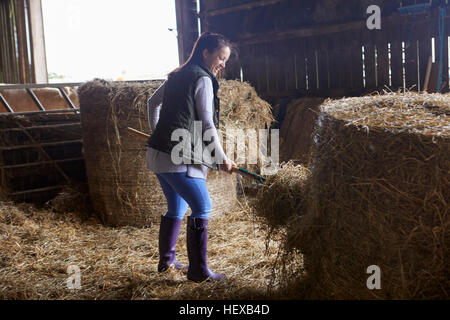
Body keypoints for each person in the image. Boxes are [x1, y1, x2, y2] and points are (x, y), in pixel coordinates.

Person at [145, 32, 236, 282]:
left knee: (177, 207)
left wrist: (159, 134)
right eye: (220, 57)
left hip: (157, 154)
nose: (223, 64)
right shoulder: (202, 79)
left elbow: (152, 104)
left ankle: (167, 262)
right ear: (205, 53)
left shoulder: (177, 75)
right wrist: (223, 157)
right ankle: (198, 272)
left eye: (226, 60)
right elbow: (207, 123)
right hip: (176, 158)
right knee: (202, 207)